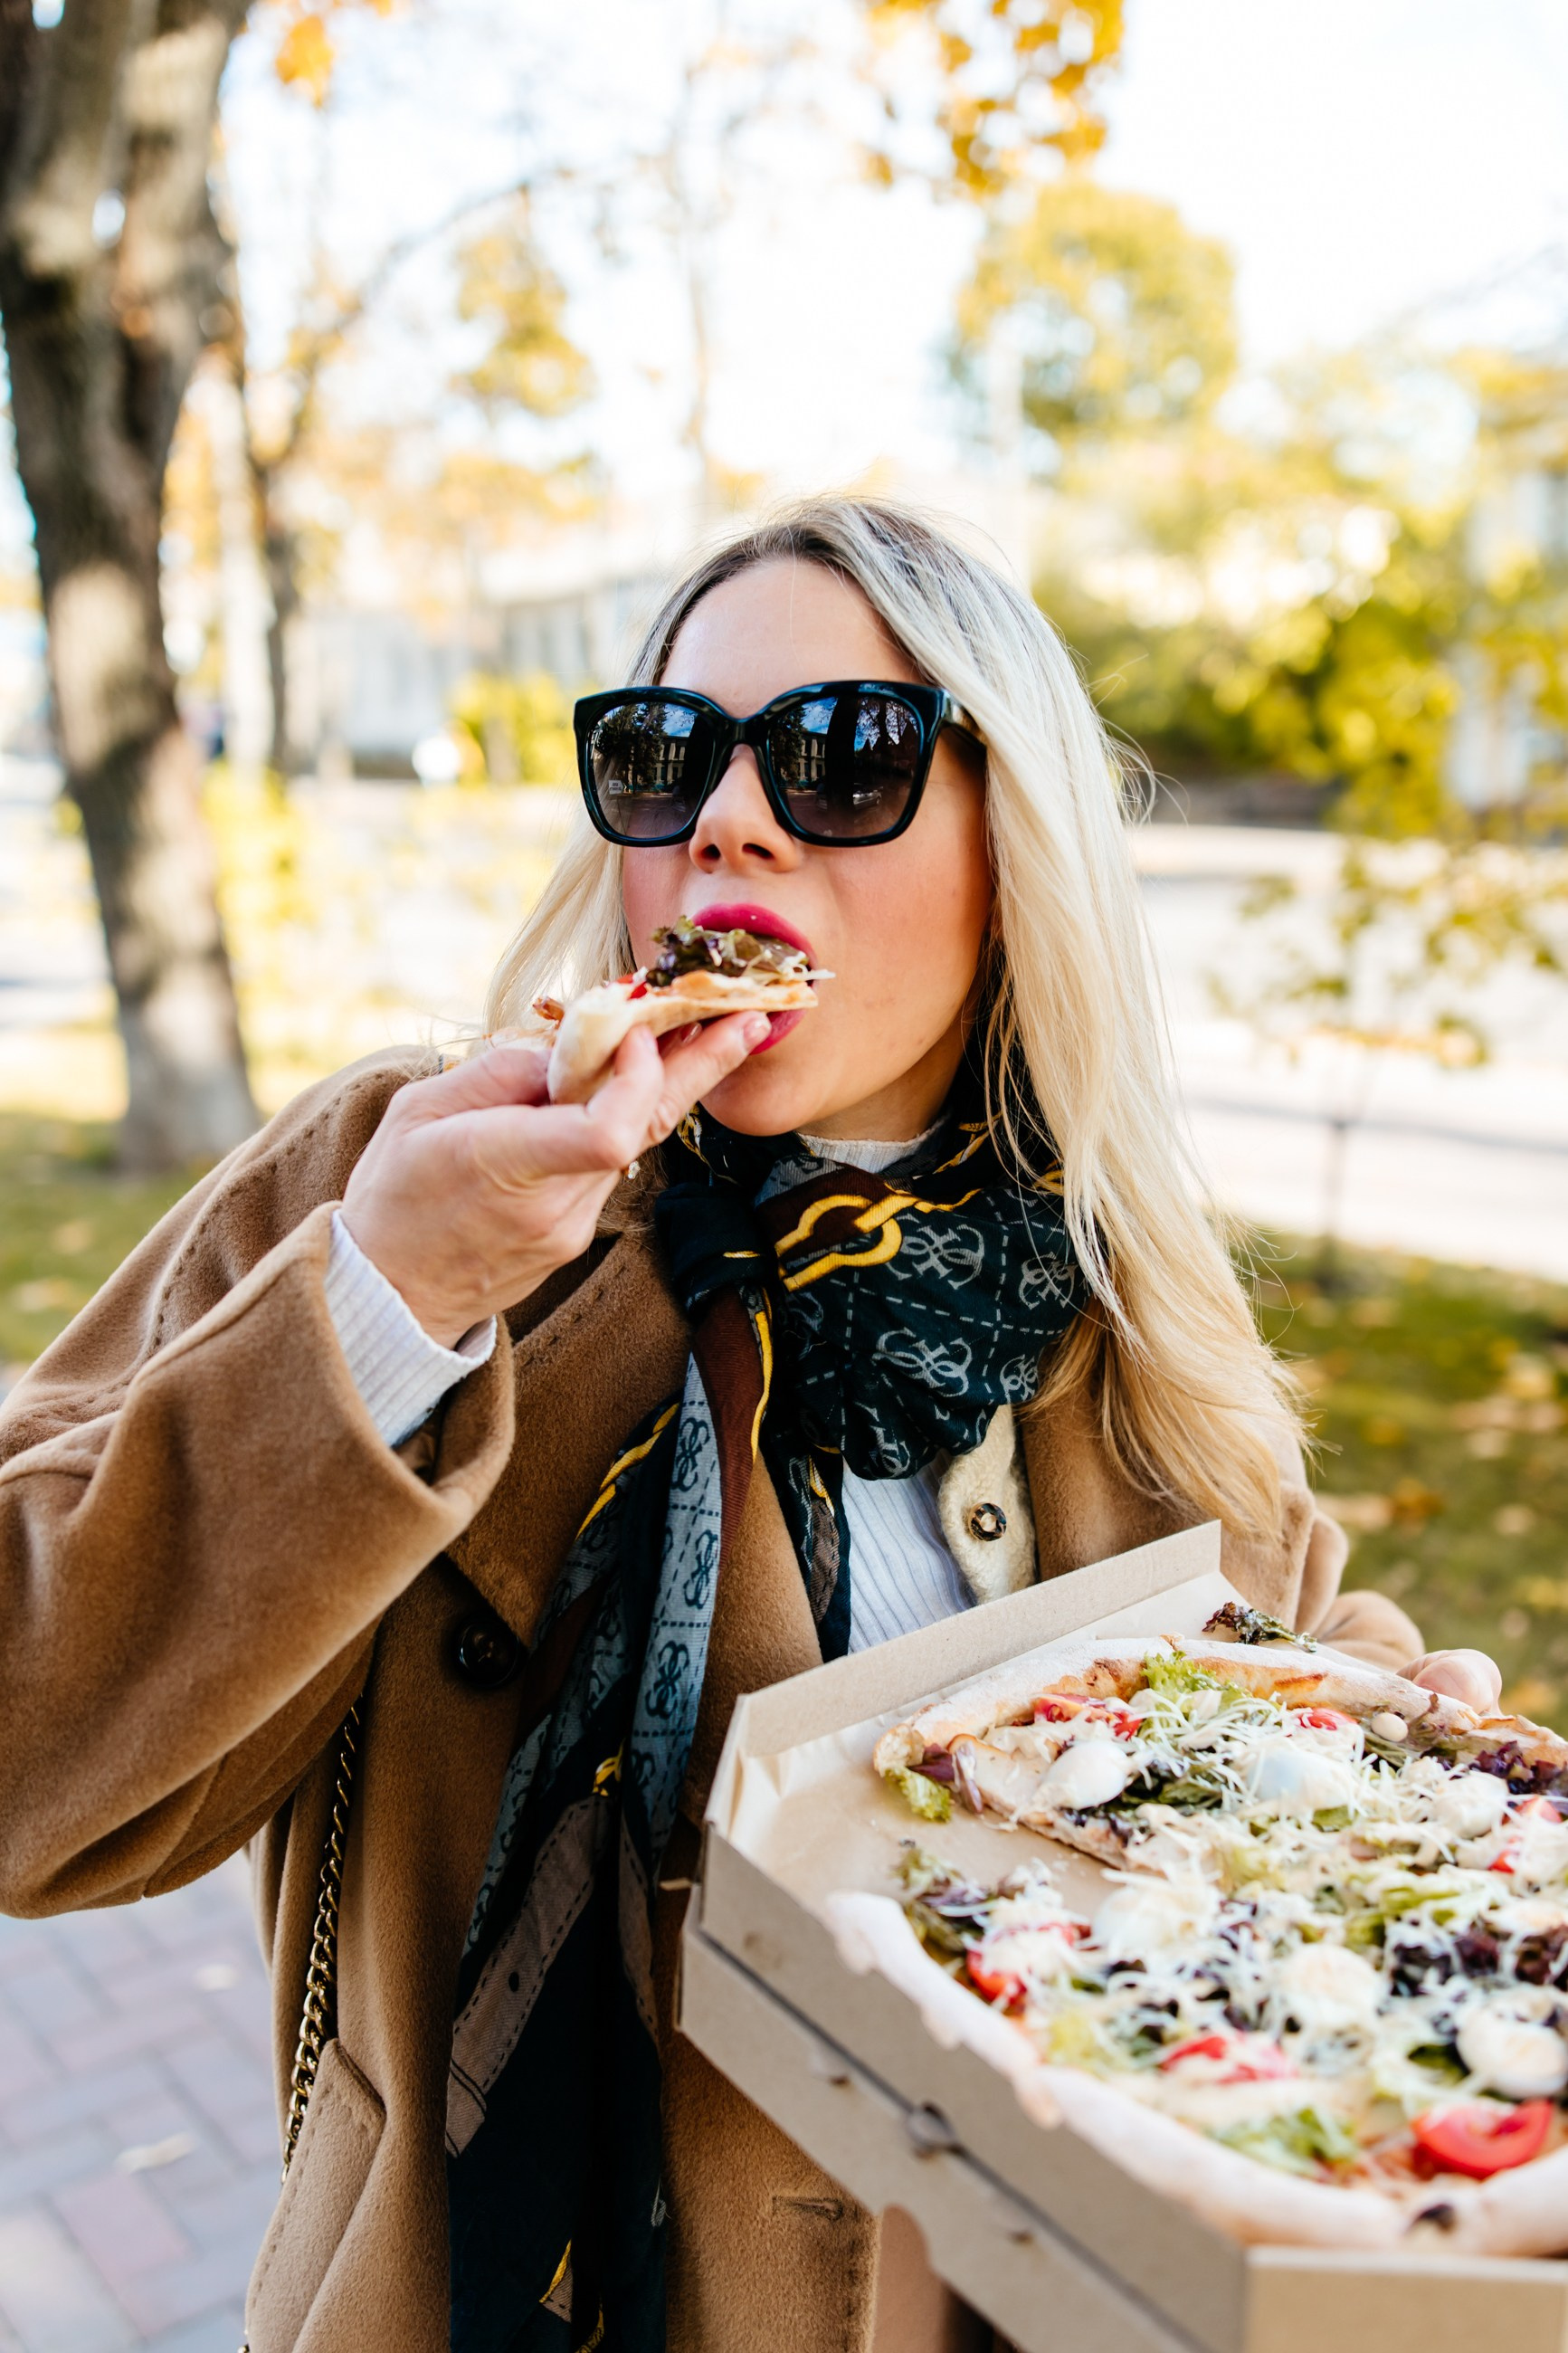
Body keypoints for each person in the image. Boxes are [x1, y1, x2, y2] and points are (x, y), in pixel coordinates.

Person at [0, 500, 1499, 2353]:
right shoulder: (398, 1180)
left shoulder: (1116, 1299)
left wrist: (1390, 1733)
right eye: (662, 756)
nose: (727, 816)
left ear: (1011, 841)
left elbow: (1264, 1659)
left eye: (840, 759)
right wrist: (393, 1305)